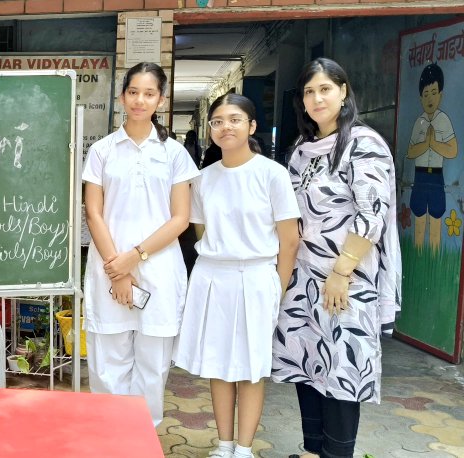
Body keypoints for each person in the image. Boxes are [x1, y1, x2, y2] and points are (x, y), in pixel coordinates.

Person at [272, 58, 401, 458]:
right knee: (308, 364)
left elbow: (371, 213)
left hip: (346, 279)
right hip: (303, 277)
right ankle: (314, 452)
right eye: (309, 91)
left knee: (343, 369)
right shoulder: (301, 149)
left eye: (325, 89)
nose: (316, 98)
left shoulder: (363, 144)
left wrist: (342, 271)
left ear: (344, 92)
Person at [173, 94, 300, 458]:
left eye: (234, 119)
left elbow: (289, 241)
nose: (225, 127)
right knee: (218, 364)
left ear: (251, 126)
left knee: (250, 367)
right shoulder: (203, 178)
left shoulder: (272, 174)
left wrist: (277, 288)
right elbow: (201, 232)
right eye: (217, 121)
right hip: (214, 277)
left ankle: (244, 449)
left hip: (257, 277)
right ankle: (223, 444)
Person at [82, 62, 199, 427]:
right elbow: (93, 213)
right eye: (133, 92)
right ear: (122, 96)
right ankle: (109, 439)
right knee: (107, 364)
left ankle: (141, 441)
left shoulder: (175, 154)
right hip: (108, 270)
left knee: (152, 367)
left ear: (160, 100)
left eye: (149, 93)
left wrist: (135, 257)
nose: (140, 100)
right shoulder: (102, 150)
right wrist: (117, 270)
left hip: (159, 270)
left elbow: (180, 218)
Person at [407, 62, 457, 249]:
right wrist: (425, 144)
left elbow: (453, 150)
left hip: (436, 176)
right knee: (418, 219)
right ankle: (419, 258)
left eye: (434, 93)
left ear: (441, 95)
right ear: (420, 98)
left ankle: (434, 260)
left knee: (436, 220)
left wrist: (434, 144)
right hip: (419, 177)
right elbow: (410, 152)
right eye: (426, 94)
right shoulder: (419, 122)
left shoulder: (443, 120)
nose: (430, 98)